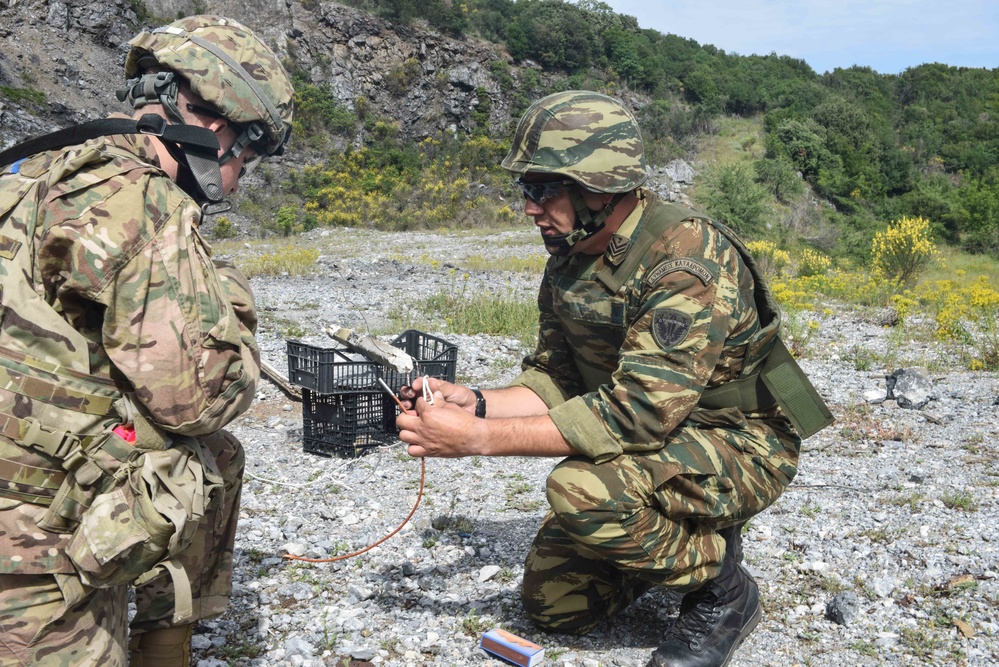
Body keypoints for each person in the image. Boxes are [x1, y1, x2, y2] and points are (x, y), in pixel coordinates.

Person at [397, 90, 831, 667]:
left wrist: (478, 440)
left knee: (580, 488)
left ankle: (723, 589)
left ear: (597, 189)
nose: (531, 208)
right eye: (527, 190)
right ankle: (663, 541)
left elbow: (638, 412)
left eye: (544, 190)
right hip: (658, 439)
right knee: (556, 608)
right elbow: (555, 376)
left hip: (740, 440)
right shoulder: (570, 257)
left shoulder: (686, 261)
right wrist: (474, 403)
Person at [0, 15, 293, 667]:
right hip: (29, 554)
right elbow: (202, 397)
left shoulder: (29, 166)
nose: (240, 179)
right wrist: (231, 299)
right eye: (249, 155)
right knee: (188, 454)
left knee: (211, 452)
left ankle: (166, 639)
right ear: (223, 129)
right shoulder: (145, 202)